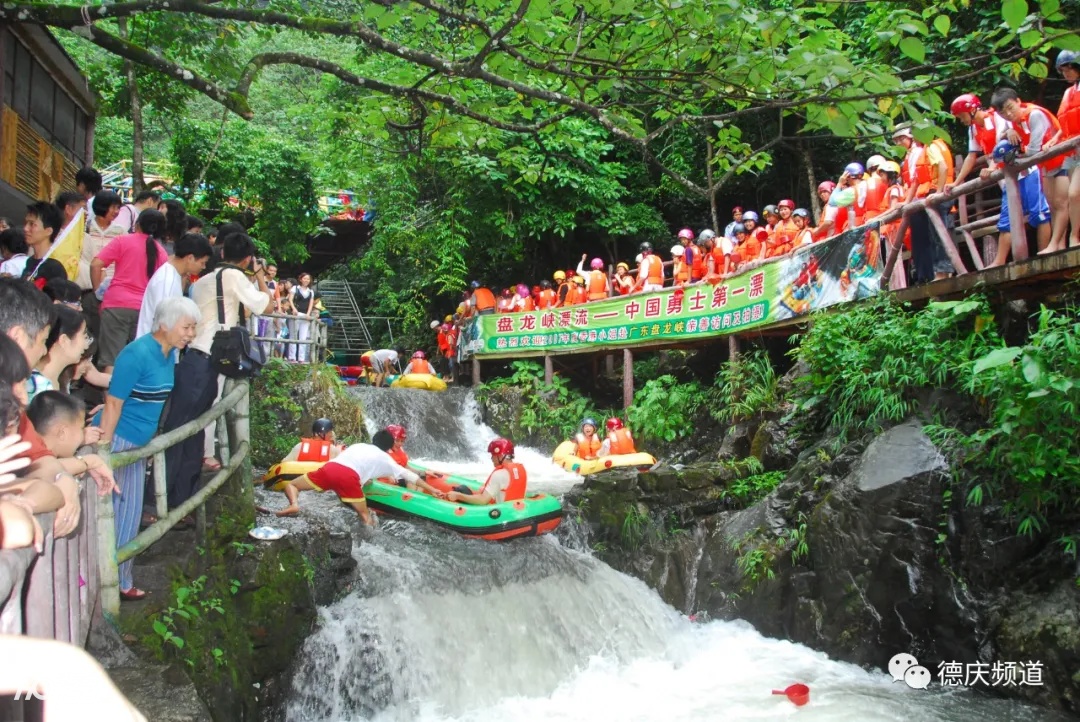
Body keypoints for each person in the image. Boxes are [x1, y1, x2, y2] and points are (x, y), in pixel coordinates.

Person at [98, 296, 199, 598]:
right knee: (118, 513)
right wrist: (105, 450)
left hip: (139, 444)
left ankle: (121, 580)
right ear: (165, 324)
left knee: (128, 514)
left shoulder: (169, 353)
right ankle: (112, 583)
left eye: (193, 328)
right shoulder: (136, 353)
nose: (190, 334)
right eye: (187, 327)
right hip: (119, 439)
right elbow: (113, 402)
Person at [161, 233, 271, 510]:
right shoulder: (234, 278)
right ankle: (165, 501)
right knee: (185, 429)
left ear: (222, 255)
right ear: (246, 259)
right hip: (208, 358)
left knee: (193, 428)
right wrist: (259, 276)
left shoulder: (203, 281)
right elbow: (264, 305)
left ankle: (179, 500)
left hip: (195, 357)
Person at [949, 93, 1050, 268]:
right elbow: (971, 156)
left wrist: (993, 168)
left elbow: (1007, 147)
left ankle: (1045, 254)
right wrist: (957, 182)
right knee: (1008, 217)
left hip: (1025, 169)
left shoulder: (998, 118)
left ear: (972, 110)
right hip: (1007, 175)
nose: (961, 120)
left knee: (1038, 212)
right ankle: (1000, 260)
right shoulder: (973, 129)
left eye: (961, 116)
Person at [275, 429, 420, 524]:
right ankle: (370, 536)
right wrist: (432, 490)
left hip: (329, 469)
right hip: (348, 478)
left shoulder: (358, 446)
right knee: (365, 515)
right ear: (388, 446)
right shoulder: (385, 457)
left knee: (292, 485)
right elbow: (409, 475)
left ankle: (294, 504)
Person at [991, 87, 1068, 256]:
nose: (1009, 115)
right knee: (1053, 207)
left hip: (1063, 158)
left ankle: (1057, 243)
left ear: (1018, 101)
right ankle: (1058, 246)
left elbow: (1034, 150)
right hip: (1047, 166)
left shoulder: (1034, 115)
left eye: (1011, 108)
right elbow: (1002, 139)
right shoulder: (1014, 123)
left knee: (1061, 203)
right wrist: (1007, 132)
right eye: (1004, 113)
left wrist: (1015, 156)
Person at [91, 209, 168, 371]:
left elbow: (96, 264)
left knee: (111, 359)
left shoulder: (122, 241)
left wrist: (98, 291)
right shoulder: (162, 253)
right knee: (135, 361)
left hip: (116, 305)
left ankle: (109, 395)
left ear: (137, 224)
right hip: (144, 311)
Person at [894, 125, 955, 281]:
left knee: (937, 236)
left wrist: (939, 192)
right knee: (928, 237)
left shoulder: (931, 147)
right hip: (924, 197)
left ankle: (942, 272)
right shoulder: (918, 152)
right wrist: (907, 201)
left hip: (935, 194)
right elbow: (916, 180)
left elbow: (942, 166)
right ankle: (929, 275)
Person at [136, 232, 213, 339]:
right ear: (190, 258)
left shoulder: (173, 275)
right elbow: (163, 322)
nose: (204, 267)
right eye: (202, 262)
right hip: (156, 347)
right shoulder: (167, 280)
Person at [1049, 50, 1080, 252]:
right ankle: (1075, 235)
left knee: (1074, 193)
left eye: (1068, 68)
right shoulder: (1070, 92)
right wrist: (1055, 138)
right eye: (1063, 70)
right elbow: (1066, 120)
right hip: (1072, 151)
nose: (1065, 73)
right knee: (1074, 196)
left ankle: (1074, 235)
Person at [29, 305, 91, 401]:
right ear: (64, 340)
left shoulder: (61, 380)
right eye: (84, 335)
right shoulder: (37, 385)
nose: (86, 345)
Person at [445, 438, 526, 505]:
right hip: (515, 511)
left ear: (500, 456)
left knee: (461, 490)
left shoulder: (499, 474)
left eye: (493, 455)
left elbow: (483, 500)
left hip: (502, 515)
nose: (491, 458)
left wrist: (458, 496)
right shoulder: (520, 470)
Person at [21, 201, 67, 289]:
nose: (25, 228)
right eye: (25, 223)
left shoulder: (55, 267)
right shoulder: (30, 261)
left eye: (32, 224)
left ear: (48, 231)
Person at [290, 271, 318, 363]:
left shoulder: (311, 291)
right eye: (304, 278)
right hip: (296, 313)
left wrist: (308, 314)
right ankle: (292, 357)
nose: (306, 280)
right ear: (301, 279)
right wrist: (294, 309)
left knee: (303, 337)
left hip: (305, 315)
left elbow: (310, 303)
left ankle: (301, 358)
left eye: (308, 279)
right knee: (293, 335)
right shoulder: (295, 288)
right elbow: (290, 299)